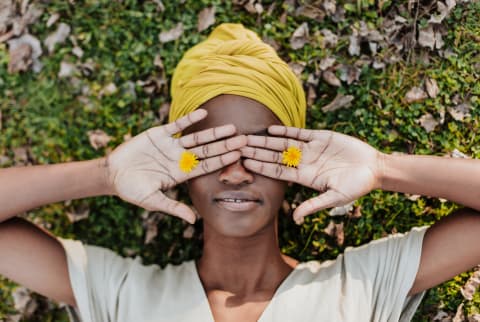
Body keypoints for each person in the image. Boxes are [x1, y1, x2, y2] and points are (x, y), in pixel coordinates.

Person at [0, 23, 479, 322]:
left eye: (260, 149)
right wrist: (104, 174)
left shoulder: (357, 286)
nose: (233, 172)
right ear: (181, 170)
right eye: (208, 151)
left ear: (291, 166)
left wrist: (381, 168)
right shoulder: (123, 294)